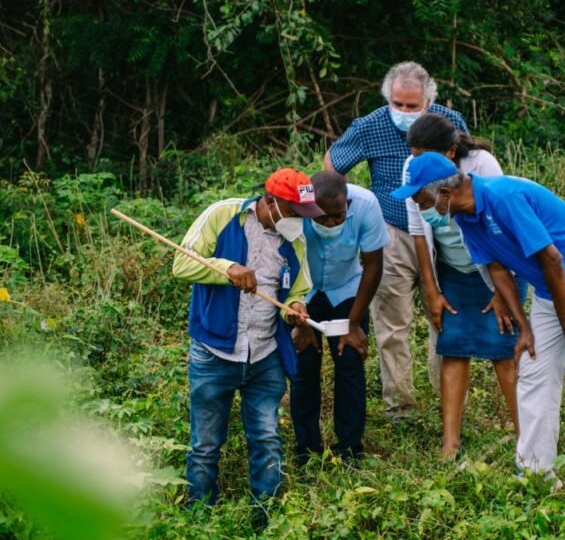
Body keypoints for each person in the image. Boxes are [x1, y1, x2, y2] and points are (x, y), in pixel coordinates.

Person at [392, 152, 565, 474]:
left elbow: (553, 259)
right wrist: (525, 328)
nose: (421, 210)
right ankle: (534, 474)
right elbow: (497, 268)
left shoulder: (503, 197)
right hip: (549, 288)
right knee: (533, 371)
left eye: (422, 202)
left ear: (445, 194)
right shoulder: (465, 217)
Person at [172, 168, 322, 516]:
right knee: (205, 444)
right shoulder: (222, 214)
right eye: (295, 212)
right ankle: (199, 516)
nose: (300, 221)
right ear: (271, 201)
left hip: (265, 354)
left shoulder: (295, 239)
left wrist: (296, 308)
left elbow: (299, 288)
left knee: (267, 439)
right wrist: (226, 269)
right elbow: (181, 263)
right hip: (215, 352)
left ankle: (266, 517)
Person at [324, 61, 467, 419]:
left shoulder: (450, 123)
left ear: (428, 101)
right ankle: (400, 406)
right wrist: (353, 207)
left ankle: (447, 402)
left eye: (411, 105)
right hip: (392, 230)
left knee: (445, 315)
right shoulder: (370, 125)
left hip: (440, 230)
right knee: (391, 321)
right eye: (397, 104)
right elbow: (333, 164)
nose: (403, 111)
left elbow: (466, 171)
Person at [394, 114, 526, 458]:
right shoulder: (413, 168)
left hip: (497, 267)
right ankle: (450, 444)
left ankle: (527, 439)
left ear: (450, 152)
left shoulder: (482, 164)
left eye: (425, 155)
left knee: (504, 350)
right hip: (452, 267)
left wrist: (502, 292)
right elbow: (419, 231)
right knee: (452, 347)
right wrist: (432, 290)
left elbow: (501, 228)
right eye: (414, 154)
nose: (416, 161)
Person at [290, 171, 389, 464]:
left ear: (348, 204)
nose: (331, 223)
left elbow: (373, 265)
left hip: (347, 291)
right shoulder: (295, 208)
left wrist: (353, 324)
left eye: (338, 216)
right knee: (304, 366)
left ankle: (349, 449)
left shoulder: (366, 205)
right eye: (322, 218)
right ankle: (306, 449)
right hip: (303, 292)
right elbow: (284, 261)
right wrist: (300, 322)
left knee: (350, 364)